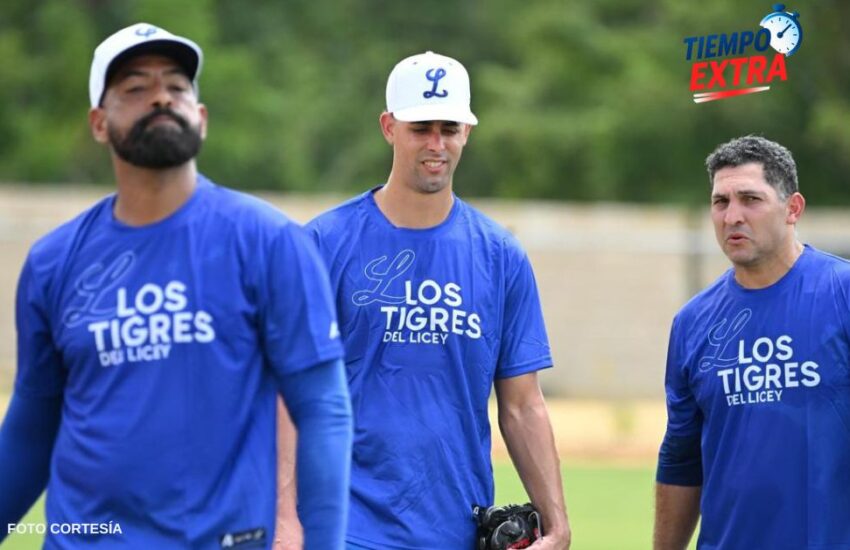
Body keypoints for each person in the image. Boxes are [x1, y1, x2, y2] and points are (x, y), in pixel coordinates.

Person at [0, 23, 352, 549]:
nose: (161, 96)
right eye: (135, 88)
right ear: (99, 123)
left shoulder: (268, 241)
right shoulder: (54, 261)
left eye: (177, 86)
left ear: (201, 118)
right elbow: (32, 425)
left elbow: (323, 407)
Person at [277, 51, 571, 549]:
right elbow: (285, 394)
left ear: (467, 133)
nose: (437, 144)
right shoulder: (322, 245)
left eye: (449, 128)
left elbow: (522, 406)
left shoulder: (500, 256)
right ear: (389, 127)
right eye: (421, 128)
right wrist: (284, 519)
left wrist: (557, 524)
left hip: (454, 529)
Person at [654, 135, 850, 549]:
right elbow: (681, 459)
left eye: (750, 199)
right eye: (721, 202)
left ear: (793, 208)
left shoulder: (842, 293)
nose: (732, 217)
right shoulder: (692, 323)